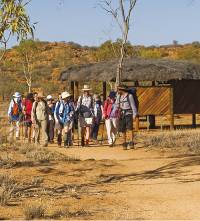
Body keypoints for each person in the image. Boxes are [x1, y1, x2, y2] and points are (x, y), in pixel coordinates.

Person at [117, 85, 138, 150]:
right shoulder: (119, 96)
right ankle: (124, 143)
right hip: (121, 114)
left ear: (121, 90)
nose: (117, 91)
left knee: (130, 128)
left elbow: (133, 106)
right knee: (123, 129)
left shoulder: (130, 96)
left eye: (118, 90)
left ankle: (131, 143)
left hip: (129, 114)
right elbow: (117, 105)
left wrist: (134, 115)